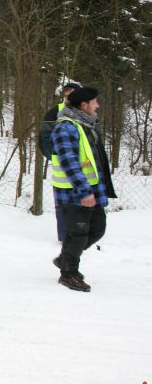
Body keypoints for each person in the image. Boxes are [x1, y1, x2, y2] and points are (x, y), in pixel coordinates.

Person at [50, 86, 116, 292]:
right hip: (74, 192)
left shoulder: (85, 125)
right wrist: (84, 191)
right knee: (77, 234)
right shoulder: (66, 128)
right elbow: (69, 163)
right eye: (94, 102)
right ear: (84, 105)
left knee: (97, 228)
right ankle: (68, 274)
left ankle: (65, 258)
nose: (98, 106)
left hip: (91, 188)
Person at [39, 82, 81, 242]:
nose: (68, 94)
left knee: (82, 205)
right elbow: (44, 139)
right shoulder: (54, 113)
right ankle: (65, 238)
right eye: (66, 91)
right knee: (63, 207)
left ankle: (81, 237)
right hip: (61, 172)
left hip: (84, 169)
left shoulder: (87, 112)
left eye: (72, 91)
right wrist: (56, 156)